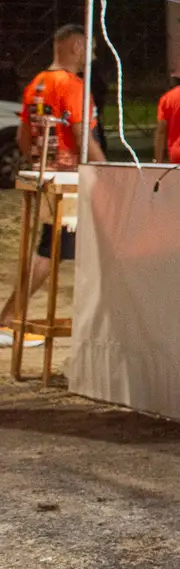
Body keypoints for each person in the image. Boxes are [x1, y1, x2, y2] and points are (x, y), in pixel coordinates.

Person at [1, 25, 106, 348]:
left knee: (53, 248)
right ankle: (7, 320)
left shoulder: (37, 83)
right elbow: (82, 136)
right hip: (72, 181)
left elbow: (22, 137)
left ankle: (8, 320)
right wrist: (107, 174)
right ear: (77, 47)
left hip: (49, 177)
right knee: (52, 250)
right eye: (90, 48)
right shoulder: (72, 85)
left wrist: (39, 163)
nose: (92, 56)